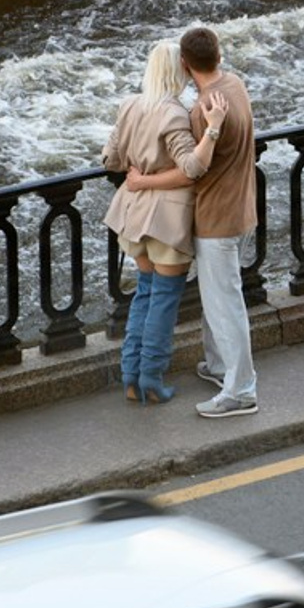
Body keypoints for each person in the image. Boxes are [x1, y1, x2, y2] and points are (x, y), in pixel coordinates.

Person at [126, 27, 259, 419]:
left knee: (224, 306)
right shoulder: (234, 84)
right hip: (243, 208)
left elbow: (190, 171)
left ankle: (241, 391)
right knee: (218, 300)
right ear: (219, 55)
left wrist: (141, 181)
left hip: (217, 218)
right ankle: (219, 368)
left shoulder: (204, 112)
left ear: (184, 65)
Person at [102, 42, 228, 406]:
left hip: (133, 217)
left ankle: (130, 378)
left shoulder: (129, 105)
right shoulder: (175, 113)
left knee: (144, 294)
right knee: (163, 301)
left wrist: (138, 173)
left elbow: (110, 158)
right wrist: (213, 130)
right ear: (179, 71)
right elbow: (192, 169)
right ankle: (153, 379)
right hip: (167, 223)